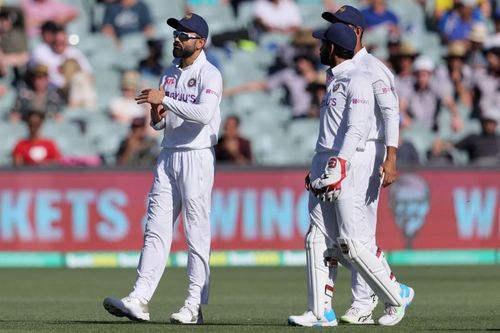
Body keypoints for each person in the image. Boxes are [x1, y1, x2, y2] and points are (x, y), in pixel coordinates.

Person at [289, 5, 414, 327]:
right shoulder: (337, 73)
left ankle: (382, 295)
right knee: (321, 237)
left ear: (354, 32)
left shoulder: (372, 69)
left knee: (356, 238)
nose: (328, 35)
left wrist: (391, 156)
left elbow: (389, 115)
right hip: (332, 155)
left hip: (362, 155)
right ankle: (322, 309)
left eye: (337, 27)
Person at [103, 13, 222, 325]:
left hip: (196, 157)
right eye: (176, 34)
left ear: (201, 41)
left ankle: (193, 304)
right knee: (154, 229)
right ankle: (139, 297)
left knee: (196, 234)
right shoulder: (169, 73)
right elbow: (160, 124)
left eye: (185, 34)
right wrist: (157, 112)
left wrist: (165, 101)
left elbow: (204, 114)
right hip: (168, 155)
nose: (177, 38)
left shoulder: (210, 74)